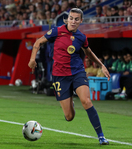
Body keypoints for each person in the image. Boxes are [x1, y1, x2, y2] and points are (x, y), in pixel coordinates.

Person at [28, 8, 110, 145]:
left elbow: (88, 53)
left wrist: (101, 65)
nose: (73, 21)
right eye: (71, 18)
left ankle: (101, 136)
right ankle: (70, 103)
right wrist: (32, 59)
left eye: (76, 19)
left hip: (77, 72)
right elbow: (38, 42)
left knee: (86, 101)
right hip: (60, 76)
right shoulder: (57, 31)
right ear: (67, 19)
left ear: (81, 21)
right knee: (69, 116)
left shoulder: (82, 37)